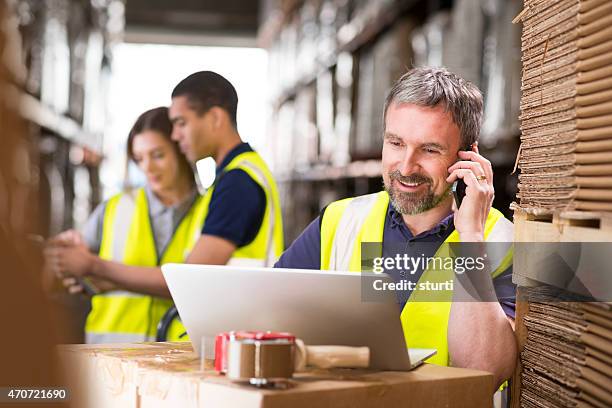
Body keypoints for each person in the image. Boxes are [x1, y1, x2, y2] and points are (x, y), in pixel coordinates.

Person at [275, 67, 517, 388]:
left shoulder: (501, 241)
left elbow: (481, 370)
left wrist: (470, 236)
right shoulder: (340, 221)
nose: (406, 166)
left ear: (467, 158)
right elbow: (269, 321)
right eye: (396, 143)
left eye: (429, 149)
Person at [47, 107, 206, 343]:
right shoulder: (114, 209)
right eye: (139, 158)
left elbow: (195, 287)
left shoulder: (210, 213)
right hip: (110, 359)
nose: (147, 168)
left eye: (158, 155)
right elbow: (68, 273)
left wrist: (98, 269)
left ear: (181, 150)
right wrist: (68, 262)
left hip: (178, 361)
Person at [168, 70, 283, 266]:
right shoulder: (232, 175)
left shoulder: (238, 183)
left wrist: (101, 268)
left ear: (215, 118)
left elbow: (193, 277)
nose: (175, 135)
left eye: (181, 123)